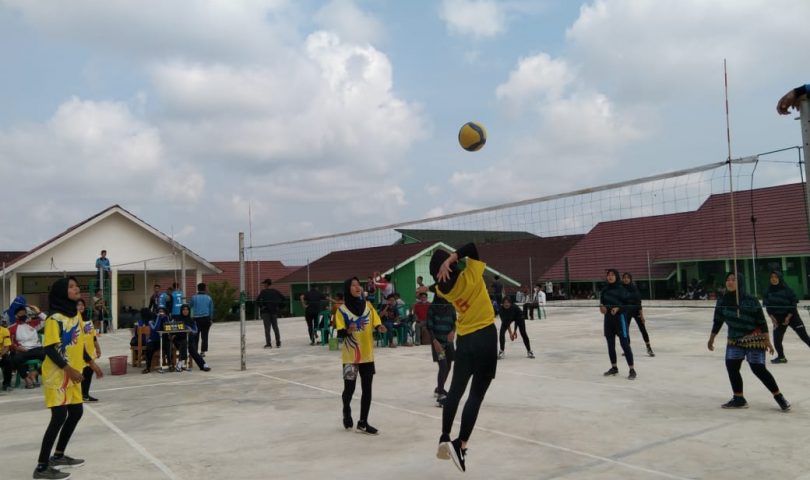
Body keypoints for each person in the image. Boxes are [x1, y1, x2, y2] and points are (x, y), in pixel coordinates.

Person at [431, 243, 497, 473]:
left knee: (455, 391)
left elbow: (436, 285)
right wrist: (451, 259)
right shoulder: (471, 274)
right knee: (476, 395)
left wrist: (442, 270)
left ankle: (444, 436)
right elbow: (472, 247)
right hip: (485, 336)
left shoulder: (444, 291)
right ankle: (460, 444)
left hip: (465, 341)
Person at [33, 277, 104, 480]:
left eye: (76, 285)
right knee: (58, 417)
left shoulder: (76, 316)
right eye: (71, 286)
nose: (76, 288)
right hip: (57, 375)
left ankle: (58, 455)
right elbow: (49, 349)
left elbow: (79, 344)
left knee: (76, 412)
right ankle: (41, 467)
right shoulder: (54, 319)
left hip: (73, 374)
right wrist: (69, 369)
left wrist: (91, 363)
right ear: (61, 292)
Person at [708, 272, 790, 411]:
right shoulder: (722, 301)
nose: (730, 282)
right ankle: (739, 398)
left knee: (758, 368)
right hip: (734, 339)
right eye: (728, 279)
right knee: (732, 366)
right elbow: (718, 321)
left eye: (734, 280)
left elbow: (762, 322)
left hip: (754, 338)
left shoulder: (751, 300)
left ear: (740, 282)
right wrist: (711, 338)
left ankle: (779, 396)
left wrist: (767, 341)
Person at [334, 277, 386, 435]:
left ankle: (363, 422)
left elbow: (376, 321)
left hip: (367, 355)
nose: (357, 287)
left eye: (358, 285)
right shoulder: (341, 310)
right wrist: (348, 330)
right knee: (349, 389)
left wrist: (380, 327)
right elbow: (340, 333)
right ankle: (346, 410)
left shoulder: (368, 306)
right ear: (347, 289)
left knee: (367, 390)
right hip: (351, 357)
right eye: (353, 285)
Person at [763, 271, 810, 364]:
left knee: (804, 336)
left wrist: (788, 317)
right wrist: (773, 319)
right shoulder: (767, 291)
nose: (773, 279)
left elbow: (793, 304)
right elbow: (768, 307)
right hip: (778, 319)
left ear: (780, 278)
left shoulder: (788, 290)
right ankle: (781, 357)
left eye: (776, 277)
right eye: (772, 277)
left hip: (792, 316)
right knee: (777, 339)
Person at [601, 269, 636, 380]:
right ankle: (614, 367)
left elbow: (628, 305)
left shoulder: (622, 289)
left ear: (616, 277)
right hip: (608, 320)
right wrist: (602, 308)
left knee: (624, 344)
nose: (610, 277)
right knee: (610, 344)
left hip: (620, 319)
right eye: (608, 275)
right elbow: (602, 304)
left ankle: (632, 369)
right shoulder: (604, 290)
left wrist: (618, 308)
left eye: (612, 275)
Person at [426, 286, 456, 407]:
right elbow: (429, 326)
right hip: (438, 344)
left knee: (448, 366)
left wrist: (453, 331)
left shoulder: (451, 306)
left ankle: (440, 388)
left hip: (449, 343)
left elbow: (455, 322)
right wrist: (435, 341)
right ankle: (440, 395)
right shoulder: (432, 307)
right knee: (443, 365)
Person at [11, 305, 47, 388]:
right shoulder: (12, 328)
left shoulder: (33, 323)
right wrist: (16, 347)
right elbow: (10, 343)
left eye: (24, 313)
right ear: (16, 316)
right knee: (16, 359)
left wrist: (38, 311)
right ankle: (26, 378)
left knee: (51, 356)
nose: (23, 315)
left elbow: (47, 320)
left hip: (37, 349)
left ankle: (35, 373)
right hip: (23, 351)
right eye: (21, 313)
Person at [622, 273, 655, 357]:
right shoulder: (621, 288)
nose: (626, 279)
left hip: (636, 311)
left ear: (630, 279)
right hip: (626, 312)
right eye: (624, 278)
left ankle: (648, 347)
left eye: (627, 278)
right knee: (625, 330)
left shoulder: (634, 288)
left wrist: (641, 315)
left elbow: (639, 302)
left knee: (642, 329)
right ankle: (627, 348)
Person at [76, 299, 101, 402]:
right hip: (80, 352)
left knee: (89, 373)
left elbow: (93, 336)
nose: (81, 306)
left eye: (82, 304)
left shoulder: (88, 320)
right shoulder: (74, 321)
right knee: (80, 375)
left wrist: (98, 349)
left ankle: (85, 395)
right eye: (78, 305)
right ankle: (78, 395)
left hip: (90, 352)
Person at [176, 304, 211, 372]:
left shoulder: (191, 320)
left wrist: (188, 329)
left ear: (189, 311)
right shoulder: (177, 319)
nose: (185, 311)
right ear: (181, 311)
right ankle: (180, 364)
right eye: (184, 310)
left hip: (189, 339)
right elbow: (173, 329)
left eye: (187, 310)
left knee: (193, 350)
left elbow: (195, 331)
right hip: (179, 339)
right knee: (184, 343)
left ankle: (203, 365)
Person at [256, 278, 285, 348]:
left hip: (266, 312)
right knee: (275, 327)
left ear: (266, 284)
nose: (263, 285)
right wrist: (278, 306)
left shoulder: (263, 292)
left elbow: (257, 301)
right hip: (274, 312)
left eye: (264, 284)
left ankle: (268, 344)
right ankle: (278, 343)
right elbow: (283, 298)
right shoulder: (275, 291)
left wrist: (261, 306)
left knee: (267, 328)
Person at [190, 283, 214, 357]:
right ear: (205, 289)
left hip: (196, 319)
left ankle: (195, 351)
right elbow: (211, 310)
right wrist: (211, 319)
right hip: (206, 318)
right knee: (205, 336)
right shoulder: (209, 298)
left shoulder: (193, 297)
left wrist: (190, 317)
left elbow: (190, 307)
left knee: (195, 335)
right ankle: (203, 351)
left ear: (198, 289)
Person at [0, 314, 12, 393]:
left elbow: (7, 347)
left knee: (8, 361)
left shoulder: (4, 331)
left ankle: (6, 384)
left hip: (1, 353)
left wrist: (0, 355)